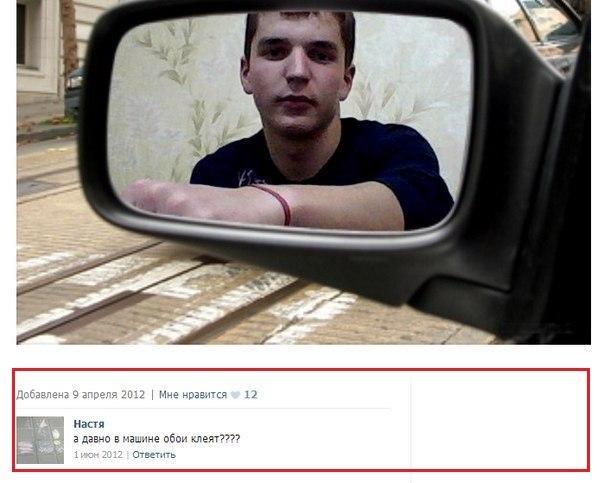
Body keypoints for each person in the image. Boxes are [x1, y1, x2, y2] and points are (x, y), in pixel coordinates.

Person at [122, 11, 453, 231]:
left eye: (320, 55)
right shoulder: (217, 173)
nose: (297, 72)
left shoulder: (397, 147)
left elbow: (423, 204)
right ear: (246, 73)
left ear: (346, 80)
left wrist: (266, 205)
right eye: (275, 51)